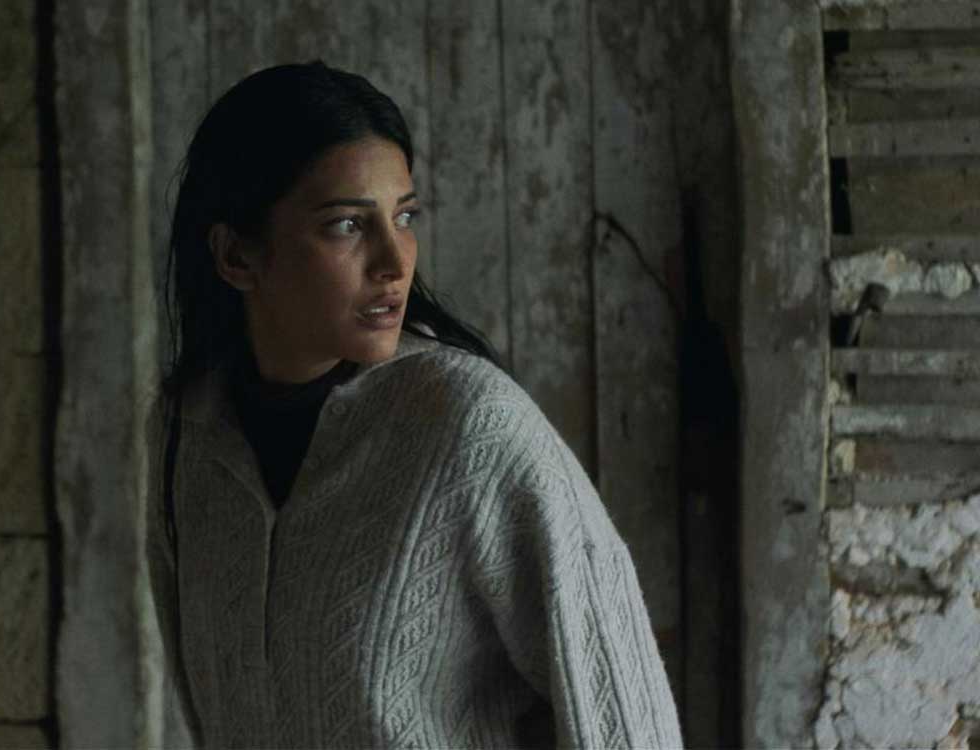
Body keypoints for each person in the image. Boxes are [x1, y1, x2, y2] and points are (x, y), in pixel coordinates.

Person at [145, 60, 682, 749]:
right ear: (236, 257)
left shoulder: (469, 423)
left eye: (403, 217)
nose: (395, 263)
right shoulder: (186, 434)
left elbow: (627, 727)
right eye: (346, 225)